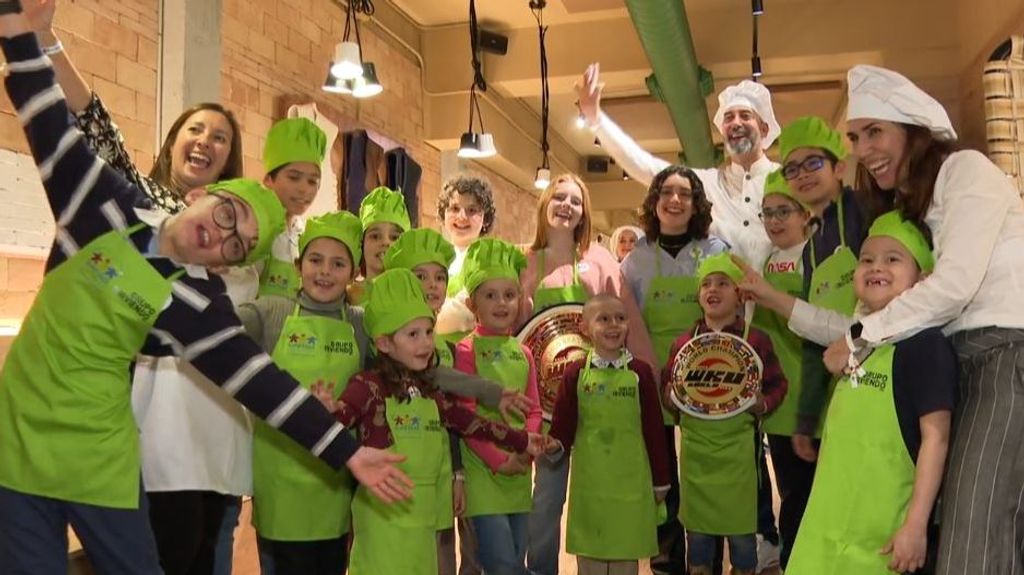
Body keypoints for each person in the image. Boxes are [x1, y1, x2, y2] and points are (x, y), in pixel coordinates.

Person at [0, 19, 409, 573]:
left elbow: (262, 381)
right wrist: (19, 29)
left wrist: (349, 451)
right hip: (14, 443)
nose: (220, 235)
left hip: (99, 457)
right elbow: (43, 114)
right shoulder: (101, 203)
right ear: (201, 193)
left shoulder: (196, 303)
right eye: (226, 214)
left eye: (235, 246)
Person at [778, 64, 1024, 575]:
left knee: (974, 534)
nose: (864, 149)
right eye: (855, 137)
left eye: (875, 132)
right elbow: (859, 321)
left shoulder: (966, 171)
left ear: (912, 130)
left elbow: (952, 287)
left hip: (1006, 355)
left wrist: (859, 336)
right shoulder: (914, 208)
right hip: (964, 362)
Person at [313, 268, 547, 575]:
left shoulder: (428, 390)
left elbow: (470, 422)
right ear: (384, 343)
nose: (426, 344)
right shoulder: (367, 385)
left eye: (428, 332)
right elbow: (340, 422)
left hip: (422, 519)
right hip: (382, 521)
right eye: (413, 335)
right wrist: (326, 411)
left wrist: (521, 440)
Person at [786, 211, 955, 574]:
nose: (876, 266)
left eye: (893, 259)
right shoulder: (860, 341)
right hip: (826, 529)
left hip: (882, 541)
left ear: (923, 279)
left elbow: (936, 439)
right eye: (866, 259)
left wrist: (915, 524)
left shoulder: (925, 346)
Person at [518, 173, 658, 575]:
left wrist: (653, 374)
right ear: (545, 203)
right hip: (548, 406)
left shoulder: (601, 260)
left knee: (604, 491)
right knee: (546, 497)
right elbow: (518, 330)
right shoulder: (525, 261)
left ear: (584, 212)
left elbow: (626, 317)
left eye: (575, 200)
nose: (566, 205)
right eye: (558, 197)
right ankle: (540, 569)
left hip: (604, 400)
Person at [383, 227, 536, 575]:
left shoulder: (447, 350)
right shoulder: (387, 347)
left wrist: (458, 473)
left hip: (443, 473)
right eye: (420, 276)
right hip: (398, 475)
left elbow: (454, 416)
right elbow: (457, 399)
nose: (432, 284)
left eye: (439, 276)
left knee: (452, 560)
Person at [235, 211, 365, 575]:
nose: (324, 271)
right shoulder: (272, 312)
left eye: (338, 263)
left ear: (353, 273)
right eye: (315, 260)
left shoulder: (359, 322)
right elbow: (219, 325)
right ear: (298, 265)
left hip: (334, 480)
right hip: (280, 474)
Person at [619, 164, 728, 574]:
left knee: (704, 473)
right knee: (660, 475)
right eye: (666, 192)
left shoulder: (716, 251)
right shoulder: (637, 259)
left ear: (696, 203)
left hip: (705, 379)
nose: (675, 200)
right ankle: (666, 559)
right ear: (655, 200)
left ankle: (706, 558)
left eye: (685, 193)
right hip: (651, 378)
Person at [577, 63, 779, 265]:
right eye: (728, 117)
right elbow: (645, 165)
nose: (735, 123)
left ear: (764, 129)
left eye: (745, 116)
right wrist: (597, 120)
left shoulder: (784, 179)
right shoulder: (705, 182)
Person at [662, 254, 787, 575]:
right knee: (699, 541)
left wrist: (763, 404)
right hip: (696, 458)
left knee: (743, 544)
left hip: (739, 459)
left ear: (740, 294)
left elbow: (778, 385)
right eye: (705, 283)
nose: (712, 289)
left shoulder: (756, 340)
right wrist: (671, 399)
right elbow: (668, 385)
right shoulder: (684, 343)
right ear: (698, 295)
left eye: (722, 283)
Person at [546, 294, 670, 575]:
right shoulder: (575, 373)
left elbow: (654, 429)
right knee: (590, 560)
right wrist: (551, 444)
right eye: (604, 319)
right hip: (590, 487)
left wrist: (661, 480)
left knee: (625, 561)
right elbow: (562, 429)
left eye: (620, 318)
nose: (614, 325)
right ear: (585, 327)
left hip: (631, 486)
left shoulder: (640, 372)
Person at [454, 239, 544, 575]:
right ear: (472, 302)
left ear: (520, 300)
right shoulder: (466, 350)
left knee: (516, 557)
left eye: (508, 294)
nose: (501, 302)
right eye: (490, 295)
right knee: (503, 565)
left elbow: (533, 410)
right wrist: (500, 460)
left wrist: (525, 450)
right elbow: (466, 417)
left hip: (519, 475)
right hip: (484, 476)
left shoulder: (524, 353)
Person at [744, 171, 817, 570]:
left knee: (813, 494)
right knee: (791, 492)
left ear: (805, 214)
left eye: (783, 211)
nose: (773, 220)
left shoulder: (818, 258)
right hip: (779, 401)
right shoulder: (766, 262)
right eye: (767, 212)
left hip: (815, 398)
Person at [255, 117, 328, 299]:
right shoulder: (255, 230)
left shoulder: (304, 234)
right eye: (294, 177)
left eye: (312, 181)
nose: (304, 188)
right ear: (268, 180)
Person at [435, 174, 498, 339]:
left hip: (472, 355)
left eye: (472, 210)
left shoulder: (488, 257)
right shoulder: (435, 255)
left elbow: (465, 313)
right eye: (454, 208)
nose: (462, 216)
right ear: (443, 214)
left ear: (485, 218)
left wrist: (424, 323)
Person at [348, 186, 411, 304]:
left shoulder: (414, 295)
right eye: (375, 236)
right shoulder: (348, 297)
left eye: (394, 237)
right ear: (361, 245)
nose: (385, 242)